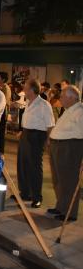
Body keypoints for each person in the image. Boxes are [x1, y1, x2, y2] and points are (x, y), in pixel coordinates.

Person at [16, 79, 55, 208]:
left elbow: (50, 125)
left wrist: (48, 141)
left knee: (34, 167)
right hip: (26, 134)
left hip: (37, 136)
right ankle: (25, 192)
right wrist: (23, 131)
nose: (24, 90)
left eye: (26, 88)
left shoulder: (44, 105)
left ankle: (36, 196)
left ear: (32, 90)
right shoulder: (28, 103)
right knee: (22, 165)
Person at [48, 86, 83, 221]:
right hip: (59, 146)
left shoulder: (79, 112)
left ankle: (69, 212)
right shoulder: (69, 110)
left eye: (62, 96)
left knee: (68, 181)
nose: (60, 98)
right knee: (58, 180)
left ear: (71, 98)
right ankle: (61, 206)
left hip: (70, 148)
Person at [0, 72, 11, 156]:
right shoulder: (1, 87)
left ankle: (0, 152)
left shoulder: (5, 88)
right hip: (0, 113)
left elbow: (3, 102)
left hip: (3, 113)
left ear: (3, 79)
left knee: (1, 133)